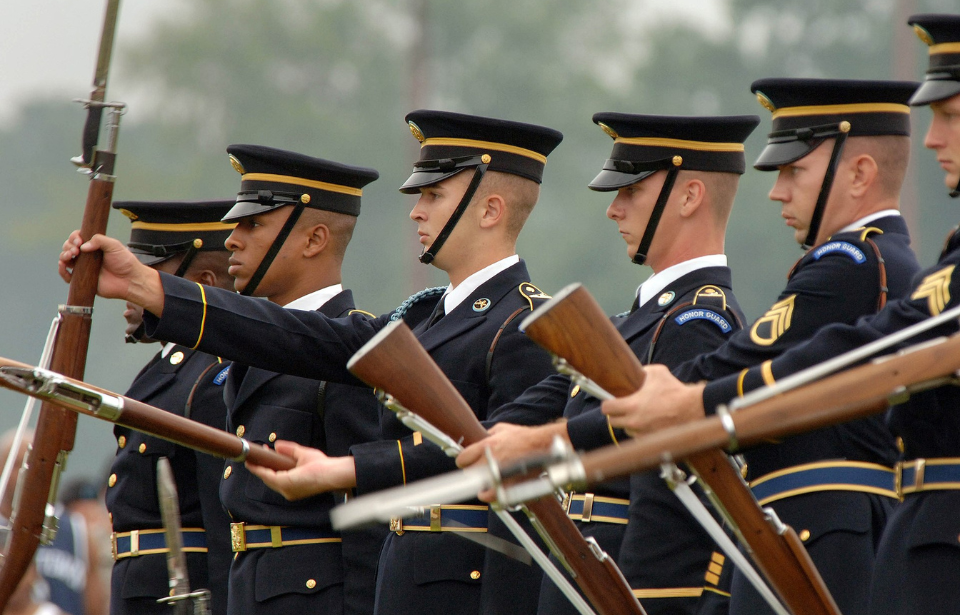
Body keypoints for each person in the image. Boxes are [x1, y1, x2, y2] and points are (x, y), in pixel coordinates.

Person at [59, 110, 563, 615]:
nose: (416, 211)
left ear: (491, 210)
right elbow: (295, 335)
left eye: (433, 195)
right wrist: (148, 287)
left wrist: (345, 470)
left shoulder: (527, 323)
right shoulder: (422, 318)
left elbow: (517, 492)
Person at [605, 14, 960, 615]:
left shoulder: (854, 261)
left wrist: (564, 438)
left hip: (832, 533)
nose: (776, 191)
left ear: (860, 172)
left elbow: (811, 359)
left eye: (794, 171)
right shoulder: (885, 262)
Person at [456, 113, 758, 615]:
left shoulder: (698, 320)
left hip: (625, 585)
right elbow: (524, 415)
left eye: (631, 192)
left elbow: (668, 494)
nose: (614, 211)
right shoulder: (631, 321)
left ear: (689, 197)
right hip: (585, 572)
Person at [214, 145, 384, 615]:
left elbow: (368, 522)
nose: (232, 239)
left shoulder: (352, 353)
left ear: (313, 241)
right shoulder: (254, 348)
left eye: (253, 224)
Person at [105, 200, 236, 615]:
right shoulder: (168, 367)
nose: (127, 290)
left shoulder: (213, 374)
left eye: (145, 277)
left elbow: (223, 521)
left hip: (182, 591)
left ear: (202, 281)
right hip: (141, 588)